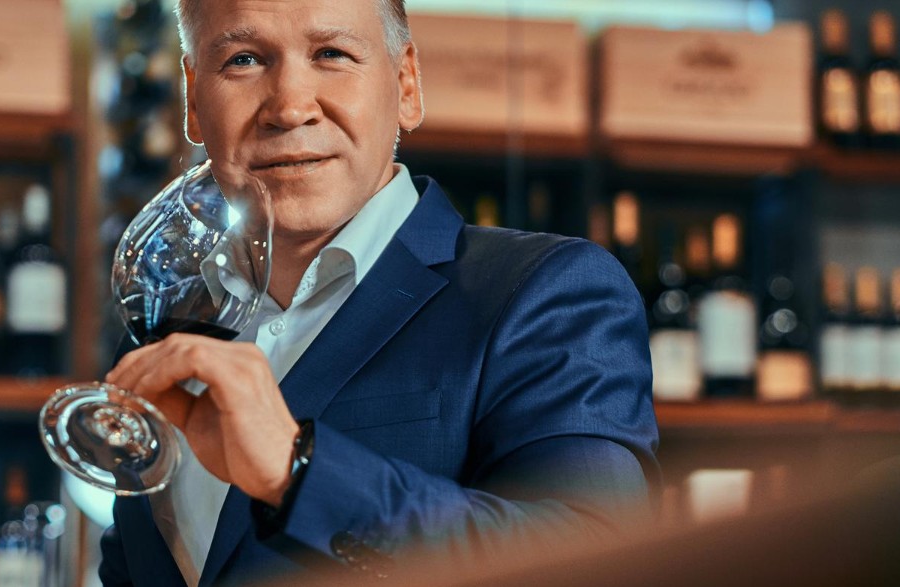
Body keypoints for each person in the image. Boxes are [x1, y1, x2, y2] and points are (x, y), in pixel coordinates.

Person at [100, 0, 659, 585]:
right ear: (193, 99)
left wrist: (298, 470)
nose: (290, 107)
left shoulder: (548, 292)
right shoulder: (166, 331)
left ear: (407, 84)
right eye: (243, 60)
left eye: (332, 54)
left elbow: (600, 562)